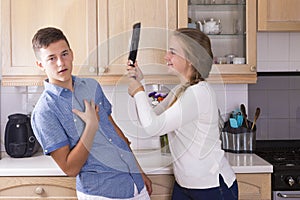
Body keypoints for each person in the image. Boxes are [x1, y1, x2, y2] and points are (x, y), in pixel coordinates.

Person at [30, 27, 152, 200]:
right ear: (40, 64)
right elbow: (70, 168)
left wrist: (138, 172)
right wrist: (91, 127)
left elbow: (115, 133)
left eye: (64, 54)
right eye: (51, 58)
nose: (60, 63)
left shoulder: (91, 86)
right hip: (102, 193)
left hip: (134, 185)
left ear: (71, 54)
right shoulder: (44, 111)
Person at [127, 28, 238, 200]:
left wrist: (139, 92)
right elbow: (150, 117)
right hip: (185, 185)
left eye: (172, 52)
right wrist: (139, 83)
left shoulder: (199, 93)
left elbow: (153, 128)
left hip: (212, 188)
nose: (166, 56)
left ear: (191, 59)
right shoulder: (182, 90)